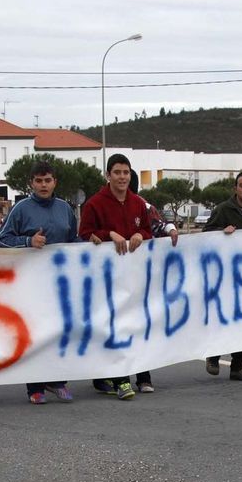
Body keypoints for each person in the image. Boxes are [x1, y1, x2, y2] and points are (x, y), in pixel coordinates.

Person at [79, 153, 177, 399]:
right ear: (108, 175)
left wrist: (139, 235)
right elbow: (84, 233)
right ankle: (117, 378)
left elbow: (146, 229)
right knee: (112, 325)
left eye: (126, 173)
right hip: (105, 278)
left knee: (137, 323)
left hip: (135, 276)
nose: (122, 177)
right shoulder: (94, 204)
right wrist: (109, 233)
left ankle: (141, 373)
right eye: (117, 172)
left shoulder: (137, 203)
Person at [0, 161, 79, 405]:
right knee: (34, 333)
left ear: (55, 182)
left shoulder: (65, 208)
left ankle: (58, 381)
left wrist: (90, 243)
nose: (44, 185)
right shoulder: (21, 208)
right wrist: (27, 242)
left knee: (59, 331)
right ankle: (35, 386)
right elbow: (2, 240)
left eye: (48, 180)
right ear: (31, 183)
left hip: (60, 282)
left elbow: (72, 239)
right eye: (39, 181)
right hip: (30, 283)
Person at [201, 170, 242, 382]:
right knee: (224, 316)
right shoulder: (223, 210)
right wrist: (222, 232)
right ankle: (213, 355)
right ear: (236, 188)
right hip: (225, 276)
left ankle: (239, 366)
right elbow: (206, 235)